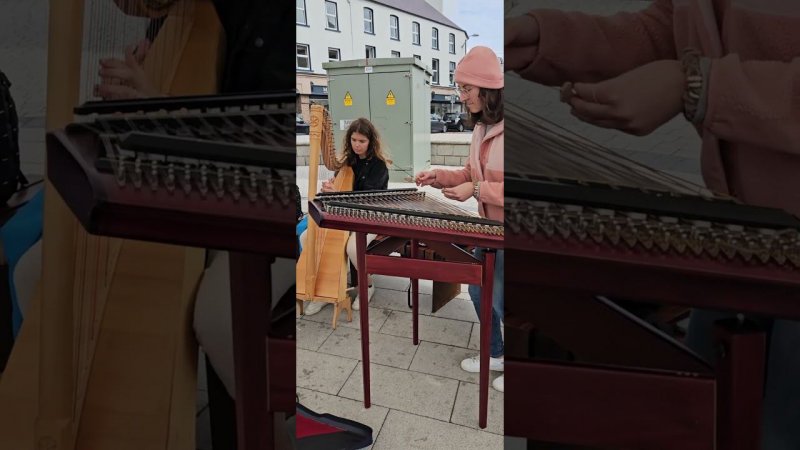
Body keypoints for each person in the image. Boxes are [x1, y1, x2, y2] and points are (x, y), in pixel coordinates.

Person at [506, 2, 800, 447]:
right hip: (748, 242)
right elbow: (672, 30)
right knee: (701, 417)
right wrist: (544, 39)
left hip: (773, 260)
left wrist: (697, 87)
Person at [415, 45, 505, 393]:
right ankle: (496, 352)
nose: (462, 96)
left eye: (466, 88)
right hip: (489, 229)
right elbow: (471, 172)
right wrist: (439, 175)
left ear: (486, 88)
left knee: (502, 297)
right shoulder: (482, 128)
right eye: (460, 88)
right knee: (476, 286)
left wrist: (477, 190)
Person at [302, 117, 391, 315]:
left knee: (352, 248)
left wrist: (338, 194)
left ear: (371, 141)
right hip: (343, 217)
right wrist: (327, 190)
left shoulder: (379, 166)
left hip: (368, 218)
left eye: (362, 141)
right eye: (354, 140)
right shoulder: (347, 163)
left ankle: (366, 286)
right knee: (306, 237)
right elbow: (337, 191)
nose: (357, 145)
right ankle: (324, 291)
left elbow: (368, 200)